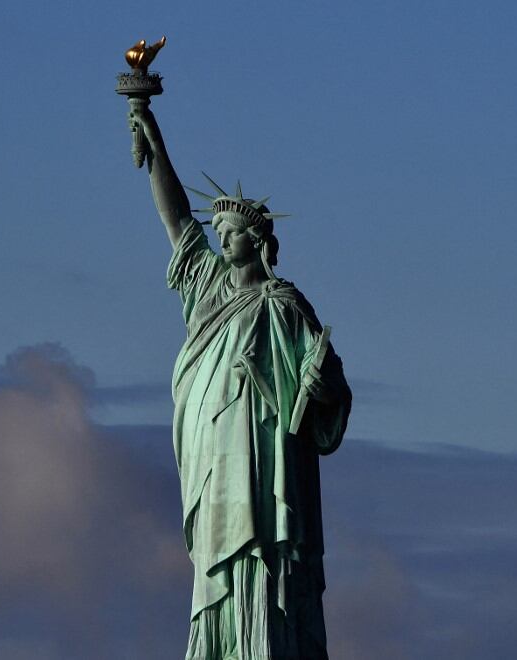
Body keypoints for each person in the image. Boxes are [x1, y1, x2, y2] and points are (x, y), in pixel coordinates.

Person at [131, 107, 352, 660]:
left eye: (230, 233)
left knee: (265, 556)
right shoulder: (206, 288)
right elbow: (177, 220)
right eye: (219, 233)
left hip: (266, 458)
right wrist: (153, 137)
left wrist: (323, 386)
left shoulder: (284, 306)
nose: (221, 240)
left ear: (256, 240)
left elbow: (330, 393)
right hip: (214, 462)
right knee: (218, 563)